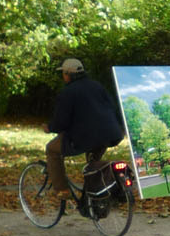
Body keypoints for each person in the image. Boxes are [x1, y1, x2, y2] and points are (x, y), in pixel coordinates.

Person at [45, 57, 124, 200]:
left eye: (63, 73)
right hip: (111, 133)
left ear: (68, 74)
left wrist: (50, 127)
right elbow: (113, 107)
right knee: (92, 164)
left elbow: (61, 123)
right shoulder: (97, 86)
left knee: (52, 149)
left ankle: (62, 190)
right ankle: (93, 197)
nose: (63, 76)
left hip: (85, 137)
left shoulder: (68, 92)